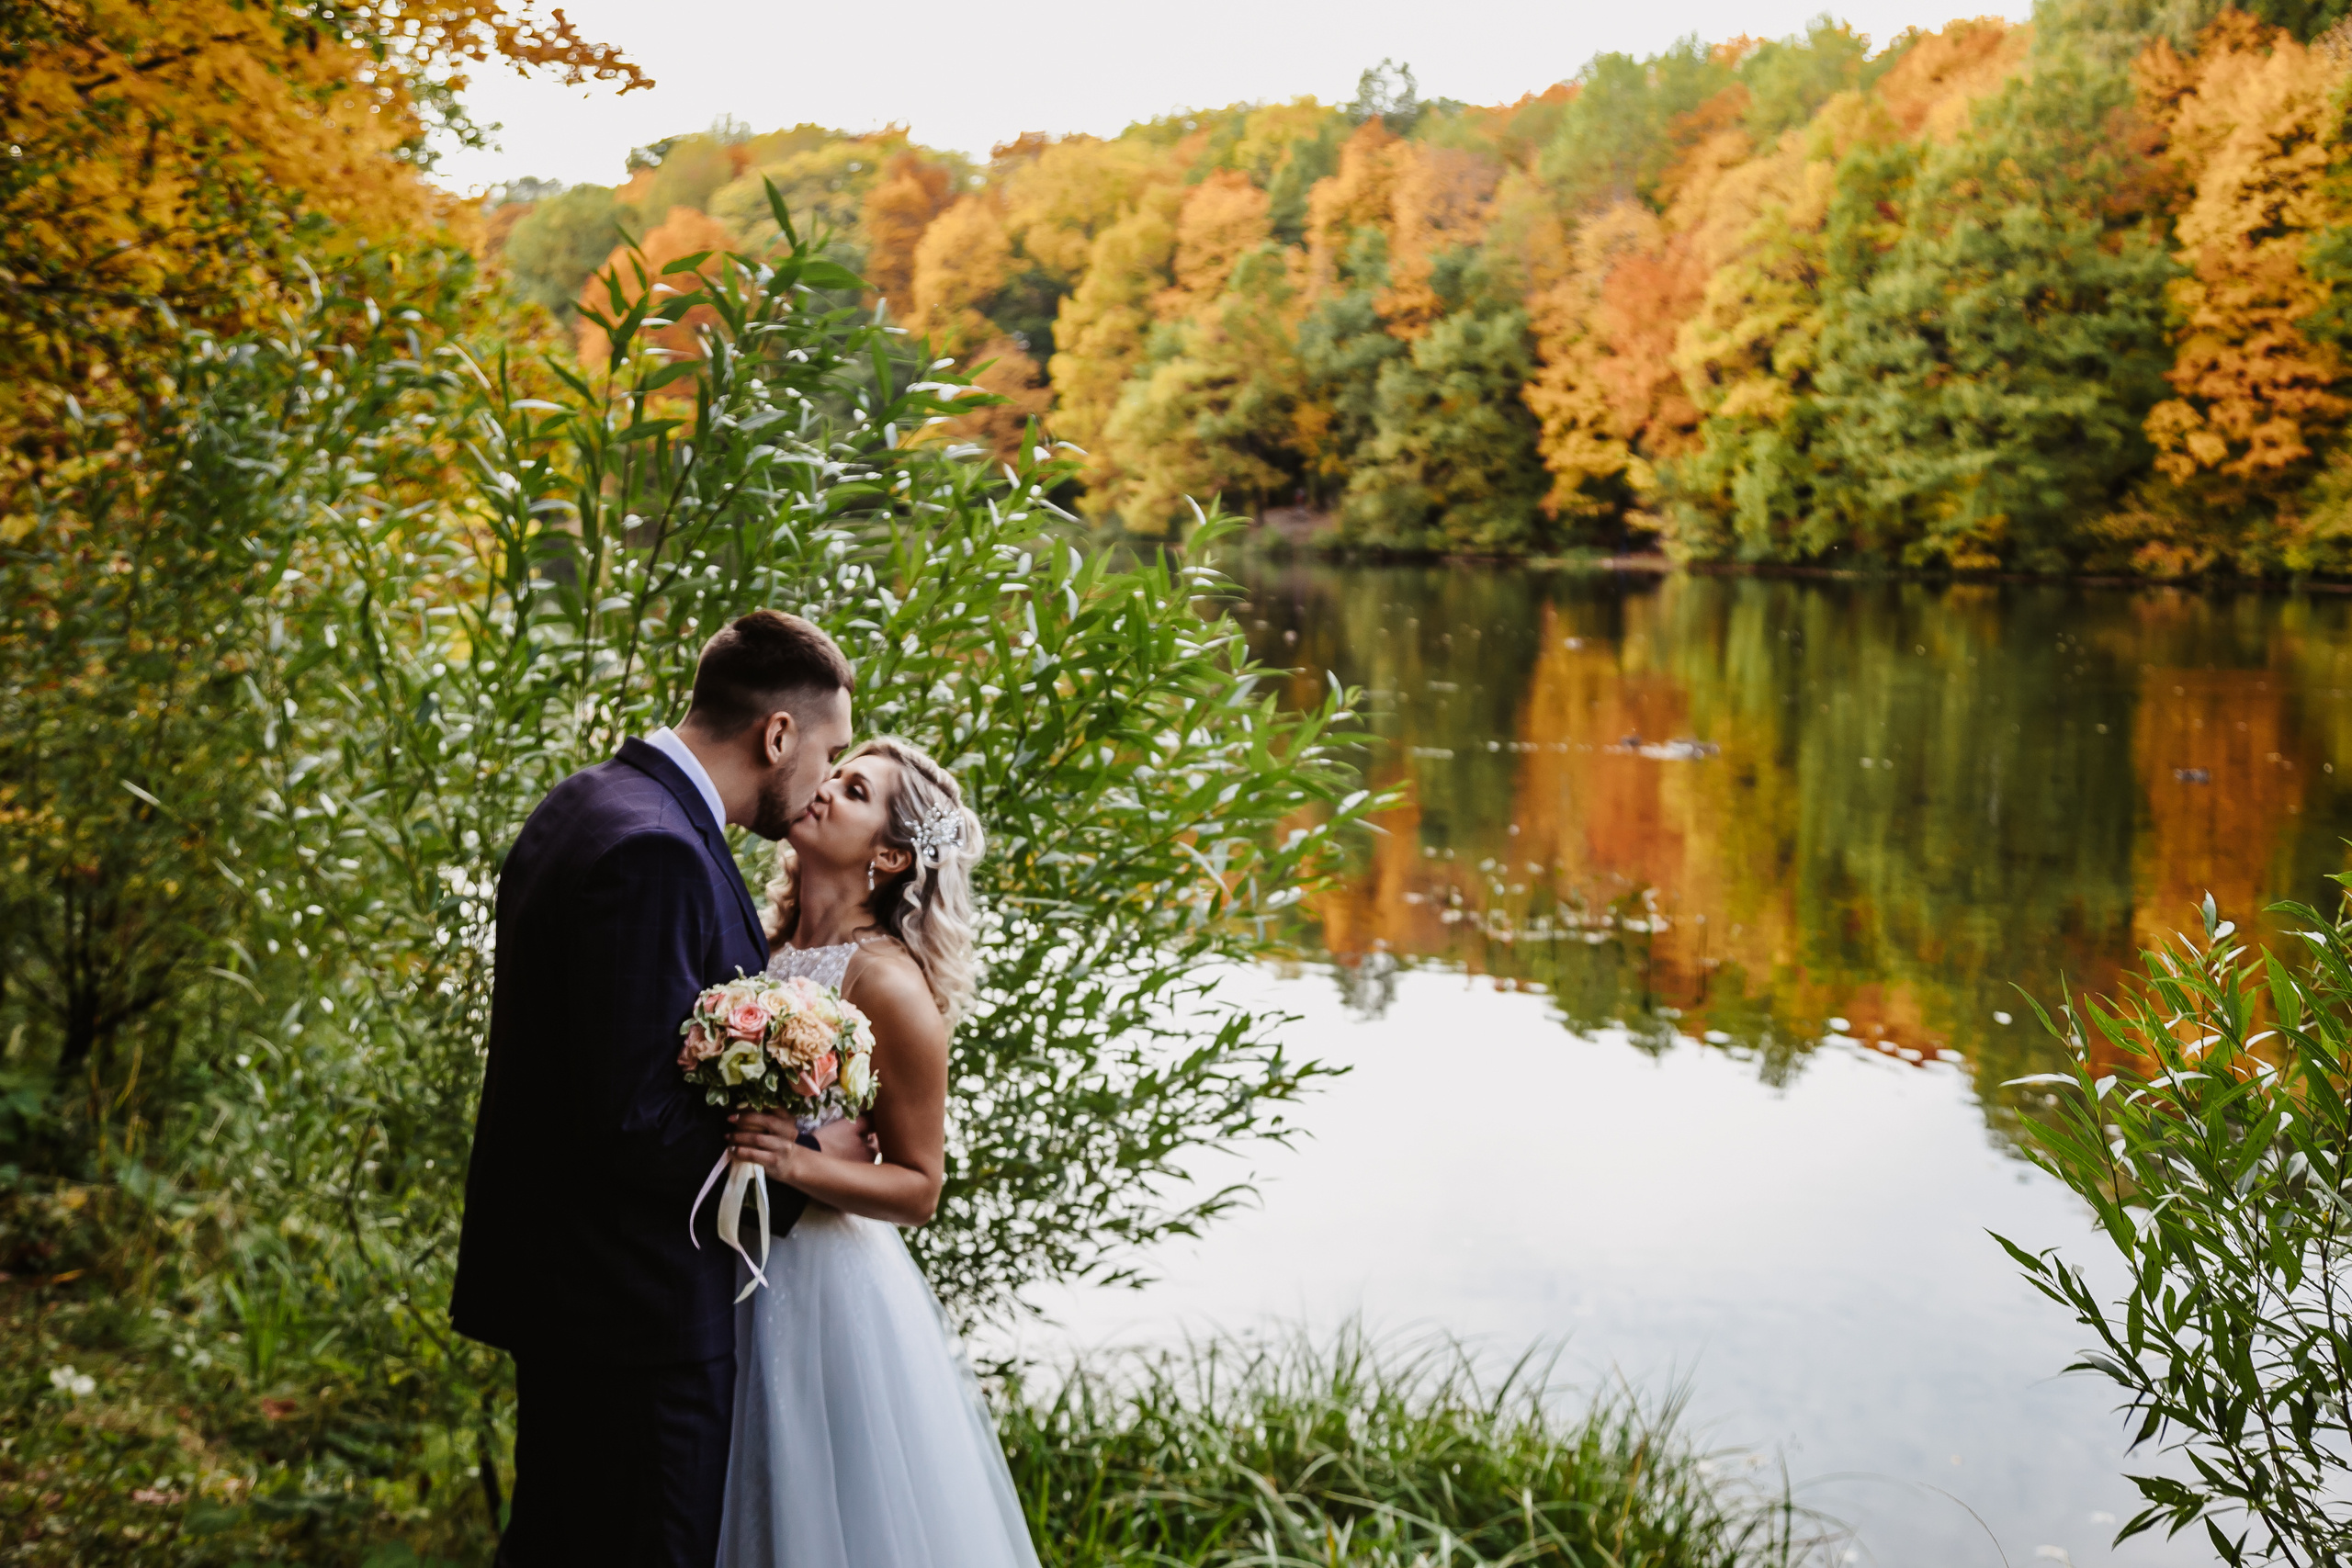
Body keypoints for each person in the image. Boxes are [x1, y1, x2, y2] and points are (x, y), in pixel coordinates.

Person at [451, 609, 866, 1568]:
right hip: (631, 1314)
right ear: (776, 735)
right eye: (829, 751)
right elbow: (633, 1118)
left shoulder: (587, 802)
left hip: (574, 1294)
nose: (819, 785)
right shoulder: (657, 849)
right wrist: (807, 1172)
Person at [718, 738, 1039, 1568]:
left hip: (822, 1288)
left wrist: (792, 1160)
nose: (822, 789)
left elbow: (919, 1184)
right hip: (733, 1260)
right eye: (834, 774)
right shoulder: (764, 941)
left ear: (891, 854)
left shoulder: (887, 982)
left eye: (852, 789)